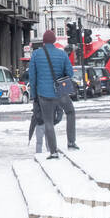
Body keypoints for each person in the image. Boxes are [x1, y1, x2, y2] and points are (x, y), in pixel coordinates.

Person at [27, 30, 77, 158]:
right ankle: (71, 142)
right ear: (54, 40)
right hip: (61, 93)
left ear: (43, 41)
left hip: (43, 93)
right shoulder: (62, 54)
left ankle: (53, 151)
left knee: (48, 121)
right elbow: (70, 73)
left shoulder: (36, 55)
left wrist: (34, 95)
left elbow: (32, 77)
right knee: (70, 112)